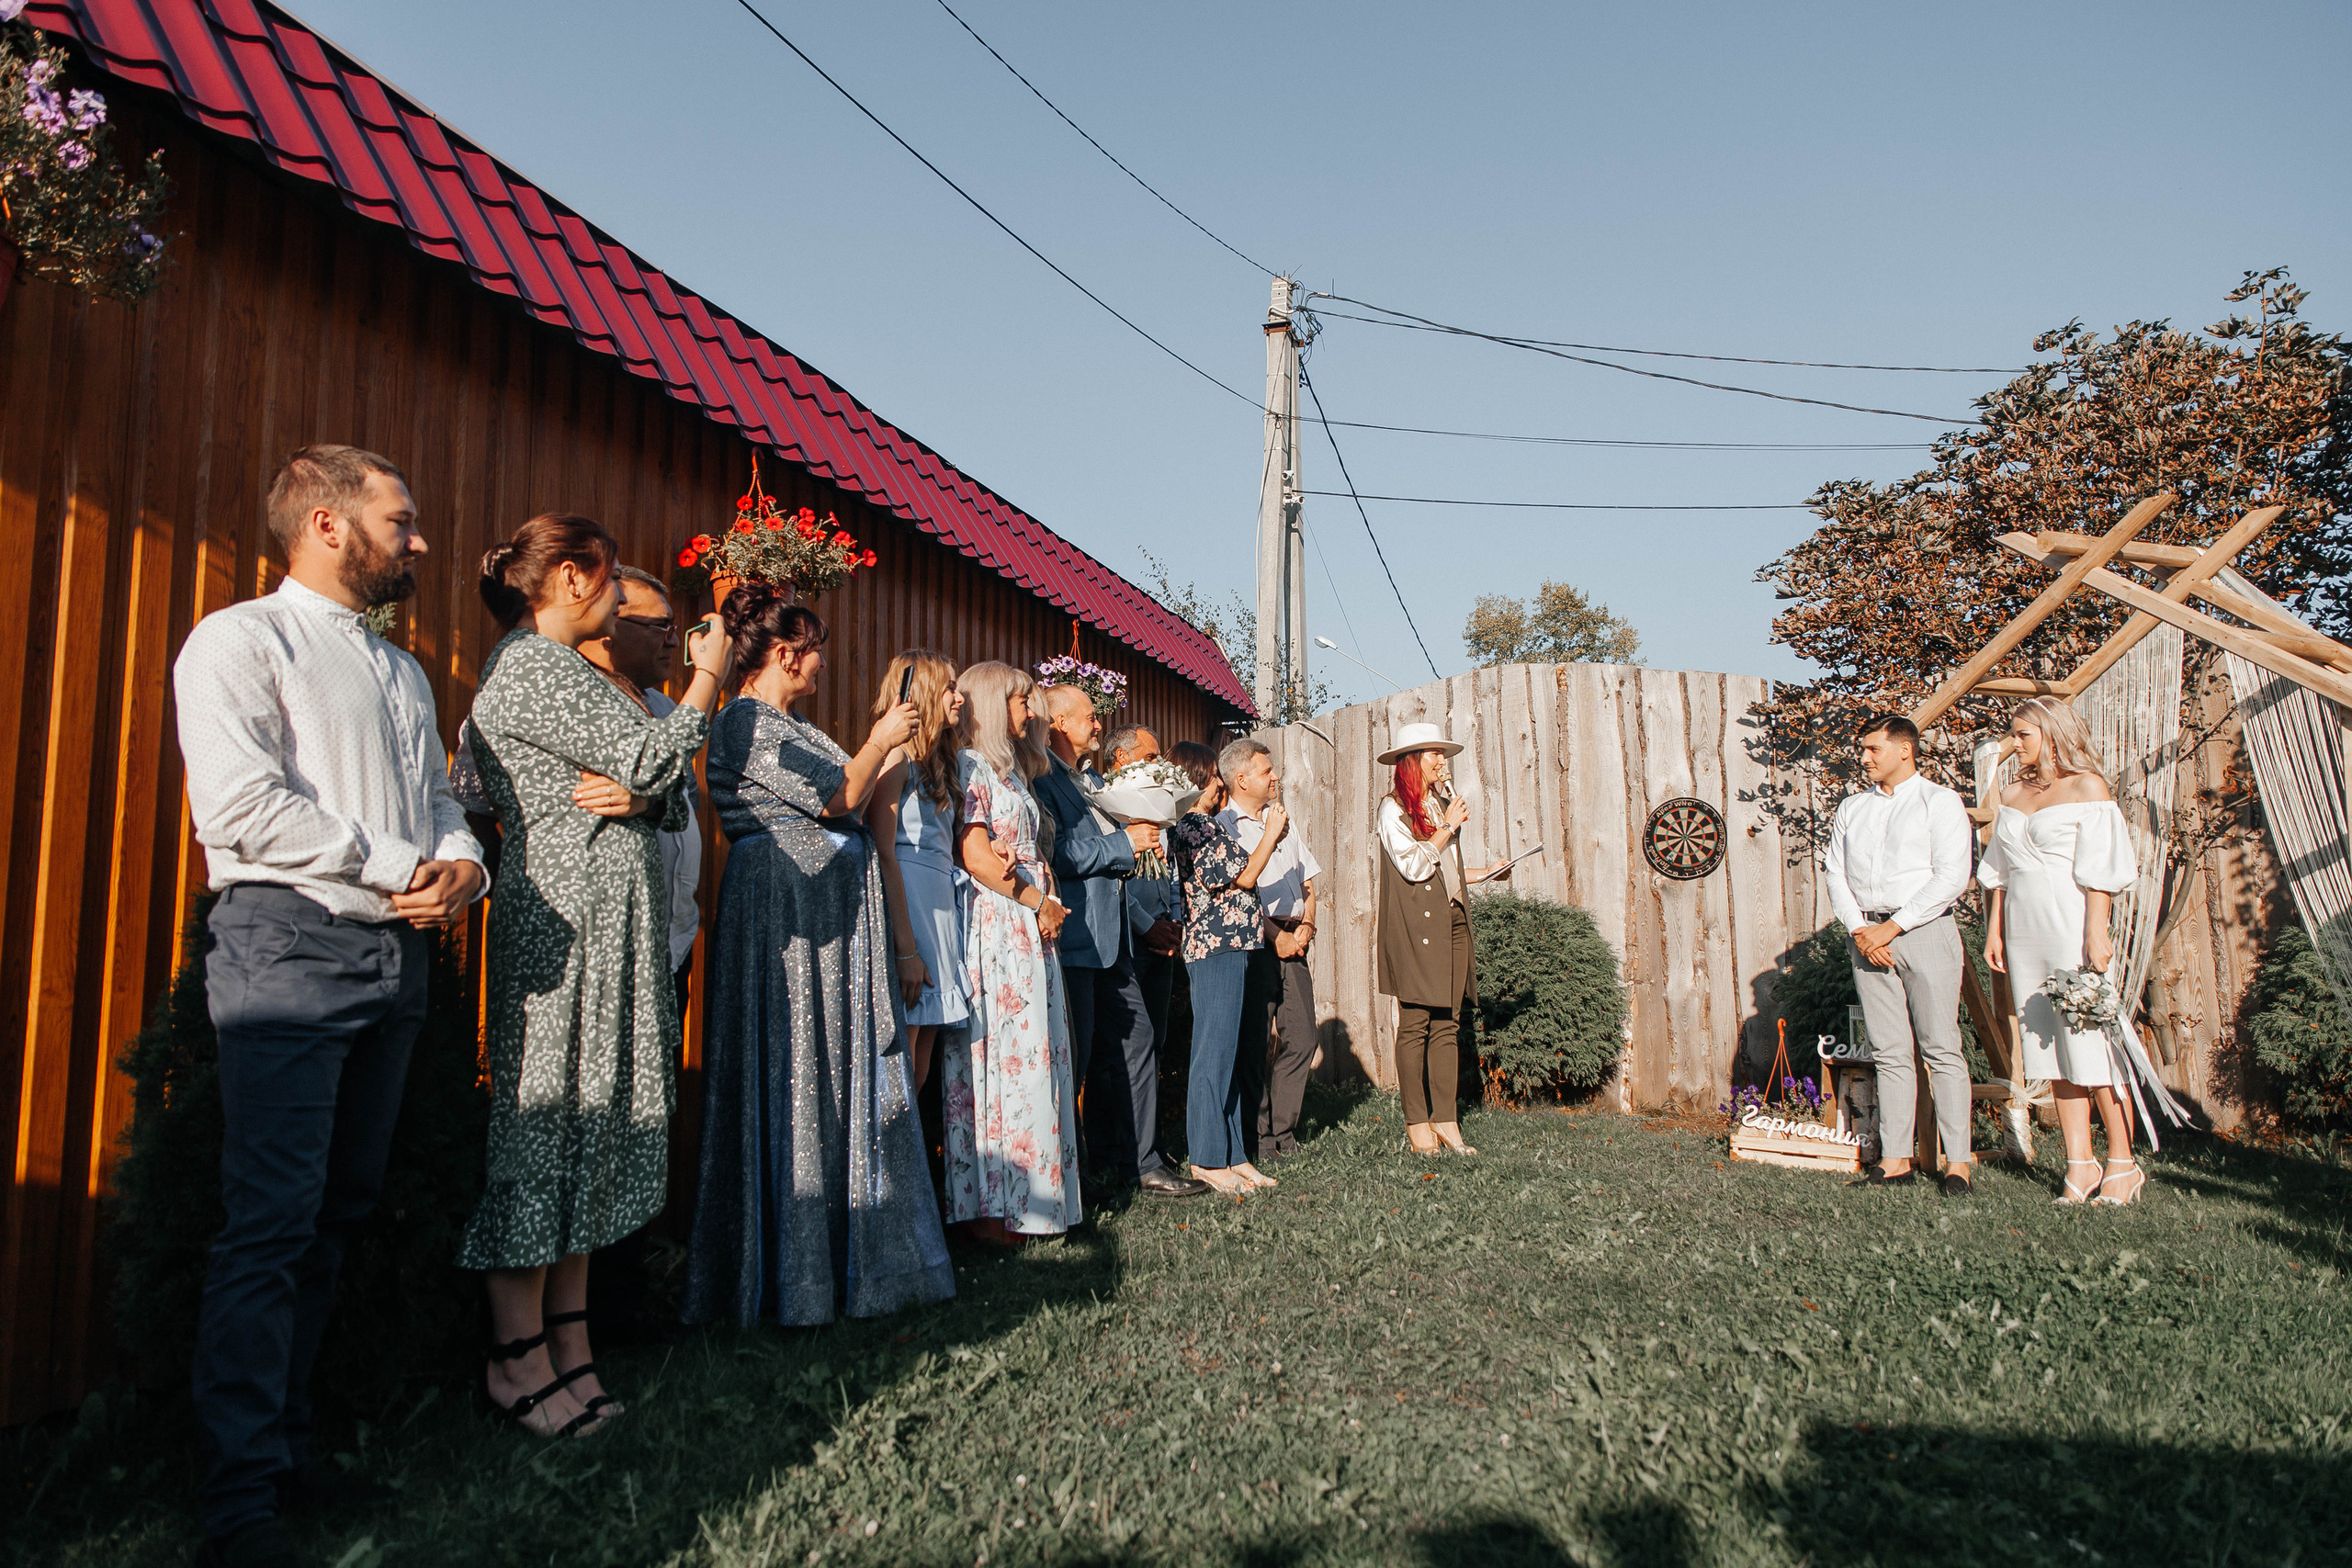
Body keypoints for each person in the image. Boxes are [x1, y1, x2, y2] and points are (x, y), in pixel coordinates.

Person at [175, 446, 485, 1568]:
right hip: (288, 946)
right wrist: (401, 861)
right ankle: (238, 1505)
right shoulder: (239, 640)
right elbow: (240, 807)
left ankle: (291, 1454)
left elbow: (439, 799)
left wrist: (463, 866)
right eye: (400, 520)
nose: (419, 540)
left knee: (336, 1216)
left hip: (394, 960)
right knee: (269, 1225)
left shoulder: (401, 671)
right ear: (325, 522)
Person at [457, 514, 730, 1438]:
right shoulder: (531, 667)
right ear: (572, 579)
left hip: (614, 929)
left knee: (591, 1134)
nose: (619, 600)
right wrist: (706, 677)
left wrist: (646, 791)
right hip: (564, 929)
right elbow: (656, 753)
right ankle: (515, 1361)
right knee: (544, 1134)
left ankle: (571, 1347)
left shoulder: (574, 671)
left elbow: (661, 792)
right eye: (612, 581)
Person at [684, 586, 954, 1322]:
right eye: (815, 650)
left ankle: (839, 1262)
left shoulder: (793, 724)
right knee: (795, 1072)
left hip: (830, 926)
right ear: (784, 653)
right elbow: (838, 797)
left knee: (829, 1076)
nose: (823, 662)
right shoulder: (743, 721)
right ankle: (790, 1276)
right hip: (787, 919)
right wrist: (883, 738)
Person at [1981, 697, 2157, 1205]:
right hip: (2024, 930)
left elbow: (2101, 871)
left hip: (2070, 924)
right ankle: (2080, 1164)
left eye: (2023, 734)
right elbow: (2000, 873)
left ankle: (2122, 1163)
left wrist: (2096, 933)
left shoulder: (2088, 787)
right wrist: (1994, 931)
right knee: (2050, 1048)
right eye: (2013, 734)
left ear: (2053, 734)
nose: (2014, 743)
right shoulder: (2011, 793)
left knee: (2090, 1043)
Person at [1034, 686, 1206, 1200]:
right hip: (1077, 938)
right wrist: (1123, 844)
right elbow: (1056, 855)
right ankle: (1074, 1177)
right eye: (1089, 717)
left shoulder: (1092, 781)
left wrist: (1140, 844)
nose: (1098, 724)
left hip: (1115, 940)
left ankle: (1144, 1164)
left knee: (1138, 1044)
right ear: (1059, 723)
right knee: (1077, 1059)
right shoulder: (1042, 778)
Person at [943, 661, 1084, 1242]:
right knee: (1006, 1054)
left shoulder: (1011, 773)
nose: (1031, 711)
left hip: (1027, 922)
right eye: (1021, 700)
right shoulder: (970, 766)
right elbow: (976, 854)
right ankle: (997, 1207)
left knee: (1033, 1055)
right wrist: (1037, 900)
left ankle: (1033, 1202)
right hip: (1000, 924)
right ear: (992, 703)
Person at [1822, 713, 1975, 1195]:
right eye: (1863, 750)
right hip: (1866, 934)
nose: (1865, 758)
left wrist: (1891, 928)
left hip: (1924, 930)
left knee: (1941, 1048)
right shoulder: (1852, 808)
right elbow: (1834, 872)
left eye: (1874, 749)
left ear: (1904, 749)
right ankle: (1895, 1161)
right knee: (1889, 1052)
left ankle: (1958, 1164)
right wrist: (1861, 930)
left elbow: (1952, 877)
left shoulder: (1940, 802)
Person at [1374, 723, 1510, 1158]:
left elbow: (1444, 869)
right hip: (1416, 926)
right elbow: (1415, 867)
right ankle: (1417, 1122)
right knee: (1416, 1024)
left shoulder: (1437, 803)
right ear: (1412, 761)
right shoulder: (1392, 809)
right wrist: (1448, 827)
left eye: (1442, 753)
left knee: (1448, 1023)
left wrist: (1485, 874)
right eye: (1434, 753)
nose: (1442, 760)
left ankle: (1446, 1120)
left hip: (1452, 918)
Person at [1167, 741, 1288, 1195]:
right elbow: (1245, 876)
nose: (1220, 782)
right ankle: (1206, 1158)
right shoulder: (1194, 826)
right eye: (1213, 775)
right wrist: (1270, 833)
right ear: (1197, 780)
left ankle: (1235, 1156)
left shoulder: (1205, 825)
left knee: (1233, 1055)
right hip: (1214, 949)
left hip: (1234, 946)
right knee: (1213, 1055)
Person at [866, 649, 970, 1090]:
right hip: (910, 907)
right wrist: (905, 950)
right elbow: (882, 852)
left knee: (921, 1059)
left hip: (939, 905)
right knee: (902, 1059)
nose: (960, 698)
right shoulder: (895, 760)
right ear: (925, 694)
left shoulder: (937, 763)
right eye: (950, 689)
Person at [1217, 738, 1321, 1165]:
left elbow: (1308, 881)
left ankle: (1284, 1130)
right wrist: (1275, 935)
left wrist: (1307, 924)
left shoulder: (1283, 819)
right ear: (1242, 779)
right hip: (1257, 943)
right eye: (1266, 771)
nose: (1275, 776)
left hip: (1296, 941)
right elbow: (1237, 890)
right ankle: (1259, 1137)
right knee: (1255, 1043)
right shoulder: (1224, 827)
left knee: (1303, 1037)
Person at [1103, 726, 1185, 1068]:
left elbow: (1172, 873)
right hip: (1128, 940)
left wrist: (1174, 918)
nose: (1158, 765)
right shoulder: (1106, 809)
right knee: (1127, 1048)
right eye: (1150, 757)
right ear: (1122, 758)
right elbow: (1112, 881)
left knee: (1156, 1043)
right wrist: (1146, 925)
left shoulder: (1158, 808)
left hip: (1163, 940)